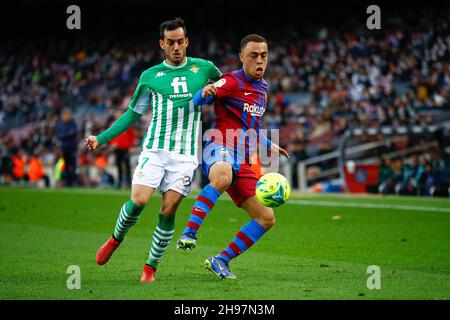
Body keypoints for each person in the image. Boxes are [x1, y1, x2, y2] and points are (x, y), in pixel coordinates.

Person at [84, 18, 222, 282]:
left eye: (180, 41)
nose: (176, 47)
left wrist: (214, 90)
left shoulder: (204, 68)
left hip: (185, 155)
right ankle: (115, 239)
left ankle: (150, 267)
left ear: (187, 41)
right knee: (139, 200)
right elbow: (132, 114)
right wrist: (101, 138)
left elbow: (227, 86)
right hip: (156, 148)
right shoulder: (149, 76)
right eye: (171, 42)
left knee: (168, 209)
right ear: (162, 44)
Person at [177, 34, 288, 279]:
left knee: (266, 217)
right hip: (218, 146)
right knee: (223, 175)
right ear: (242, 57)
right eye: (254, 56)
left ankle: (220, 260)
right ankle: (189, 233)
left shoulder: (264, 89)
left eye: (264, 56)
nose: (260, 61)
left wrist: (270, 144)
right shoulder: (230, 81)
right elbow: (196, 101)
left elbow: (252, 126)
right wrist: (204, 93)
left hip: (244, 156)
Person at [109, 110, 137, 188]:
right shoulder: (113, 124)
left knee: (127, 165)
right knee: (119, 165)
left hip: (126, 148)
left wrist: (131, 147)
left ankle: (128, 182)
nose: (117, 115)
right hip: (117, 148)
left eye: (119, 113)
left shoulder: (128, 123)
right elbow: (110, 134)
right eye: (116, 114)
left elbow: (132, 136)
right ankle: (119, 182)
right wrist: (112, 144)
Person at [55, 108, 79, 187]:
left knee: (72, 166)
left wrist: (64, 135)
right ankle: (63, 182)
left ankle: (72, 183)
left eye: (66, 115)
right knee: (63, 166)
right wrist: (66, 135)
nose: (65, 117)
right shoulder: (60, 124)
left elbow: (72, 133)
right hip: (63, 149)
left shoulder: (73, 123)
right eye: (64, 115)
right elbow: (59, 135)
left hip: (72, 148)